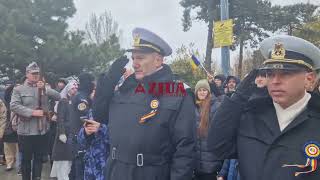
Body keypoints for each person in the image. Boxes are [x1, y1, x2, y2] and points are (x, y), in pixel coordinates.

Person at [208, 35, 320, 180]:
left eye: (285, 74)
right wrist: (237, 99)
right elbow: (217, 146)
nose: (275, 81)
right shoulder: (252, 114)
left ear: (309, 79)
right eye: (270, 74)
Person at [91, 27, 196, 180]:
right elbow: (100, 115)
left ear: (158, 60)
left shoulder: (177, 92)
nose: (134, 63)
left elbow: (185, 150)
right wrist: (107, 83)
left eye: (140, 58)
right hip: (116, 171)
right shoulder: (126, 89)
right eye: (133, 58)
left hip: (150, 173)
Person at [10, 62, 61, 180]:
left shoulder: (44, 87)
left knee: (39, 159)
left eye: (37, 73)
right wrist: (31, 112)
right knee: (26, 160)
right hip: (26, 131)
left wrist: (45, 89)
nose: (35, 75)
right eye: (33, 73)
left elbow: (58, 97)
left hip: (41, 131)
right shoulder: (19, 89)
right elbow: (13, 105)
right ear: (27, 74)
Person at [193, 79, 223, 180]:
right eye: (200, 90)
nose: (202, 92)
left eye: (204, 90)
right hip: (195, 163)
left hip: (211, 163)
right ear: (196, 92)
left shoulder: (216, 106)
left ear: (209, 92)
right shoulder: (193, 107)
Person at [68, 73, 95, 180]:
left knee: (75, 168)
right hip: (79, 138)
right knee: (80, 169)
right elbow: (87, 116)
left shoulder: (81, 95)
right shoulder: (81, 98)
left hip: (77, 136)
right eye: (92, 83)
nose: (94, 85)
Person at [50, 81, 78, 180]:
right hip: (64, 133)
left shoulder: (76, 101)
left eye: (76, 88)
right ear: (68, 90)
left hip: (72, 133)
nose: (75, 90)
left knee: (69, 159)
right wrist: (62, 133)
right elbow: (60, 118)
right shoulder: (63, 101)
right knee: (63, 159)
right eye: (73, 88)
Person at [2, 85, 19, 172]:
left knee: (18, 147)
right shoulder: (5, 102)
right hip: (7, 126)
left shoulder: (20, 101)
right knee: (7, 146)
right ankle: (9, 164)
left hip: (18, 126)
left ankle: (19, 165)